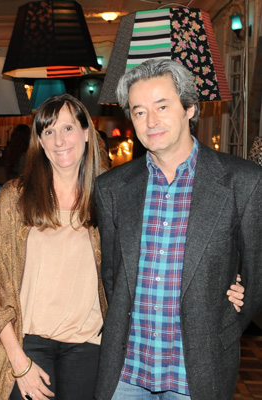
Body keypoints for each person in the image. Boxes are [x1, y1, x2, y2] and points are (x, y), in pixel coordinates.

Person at [94, 58, 262, 400]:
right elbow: (112, 276)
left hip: (199, 370)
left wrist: (224, 323)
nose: (150, 121)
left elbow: (256, 275)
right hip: (127, 370)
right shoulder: (111, 188)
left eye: (162, 106)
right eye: (139, 111)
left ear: (189, 109)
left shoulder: (242, 182)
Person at [0, 94, 108, 400]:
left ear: (86, 133)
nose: (59, 140)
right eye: (48, 131)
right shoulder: (14, 198)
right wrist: (19, 363)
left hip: (88, 347)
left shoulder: (110, 198)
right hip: (28, 344)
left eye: (67, 128)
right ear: (39, 140)